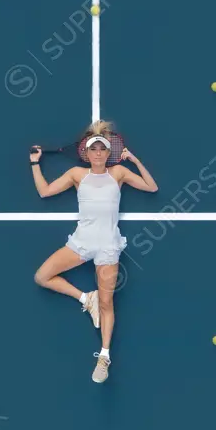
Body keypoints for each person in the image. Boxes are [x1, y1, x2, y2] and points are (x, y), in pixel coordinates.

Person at [31, 121, 158, 382]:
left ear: (108, 153)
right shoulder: (77, 175)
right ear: (86, 154)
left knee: (107, 303)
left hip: (109, 246)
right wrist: (35, 163)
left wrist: (133, 159)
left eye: (102, 149)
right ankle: (84, 299)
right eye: (94, 149)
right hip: (82, 242)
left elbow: (151, 187)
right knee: (42, 277)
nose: (98, 153)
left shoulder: (119, 173)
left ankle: (104, 356)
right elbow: (44, 192)